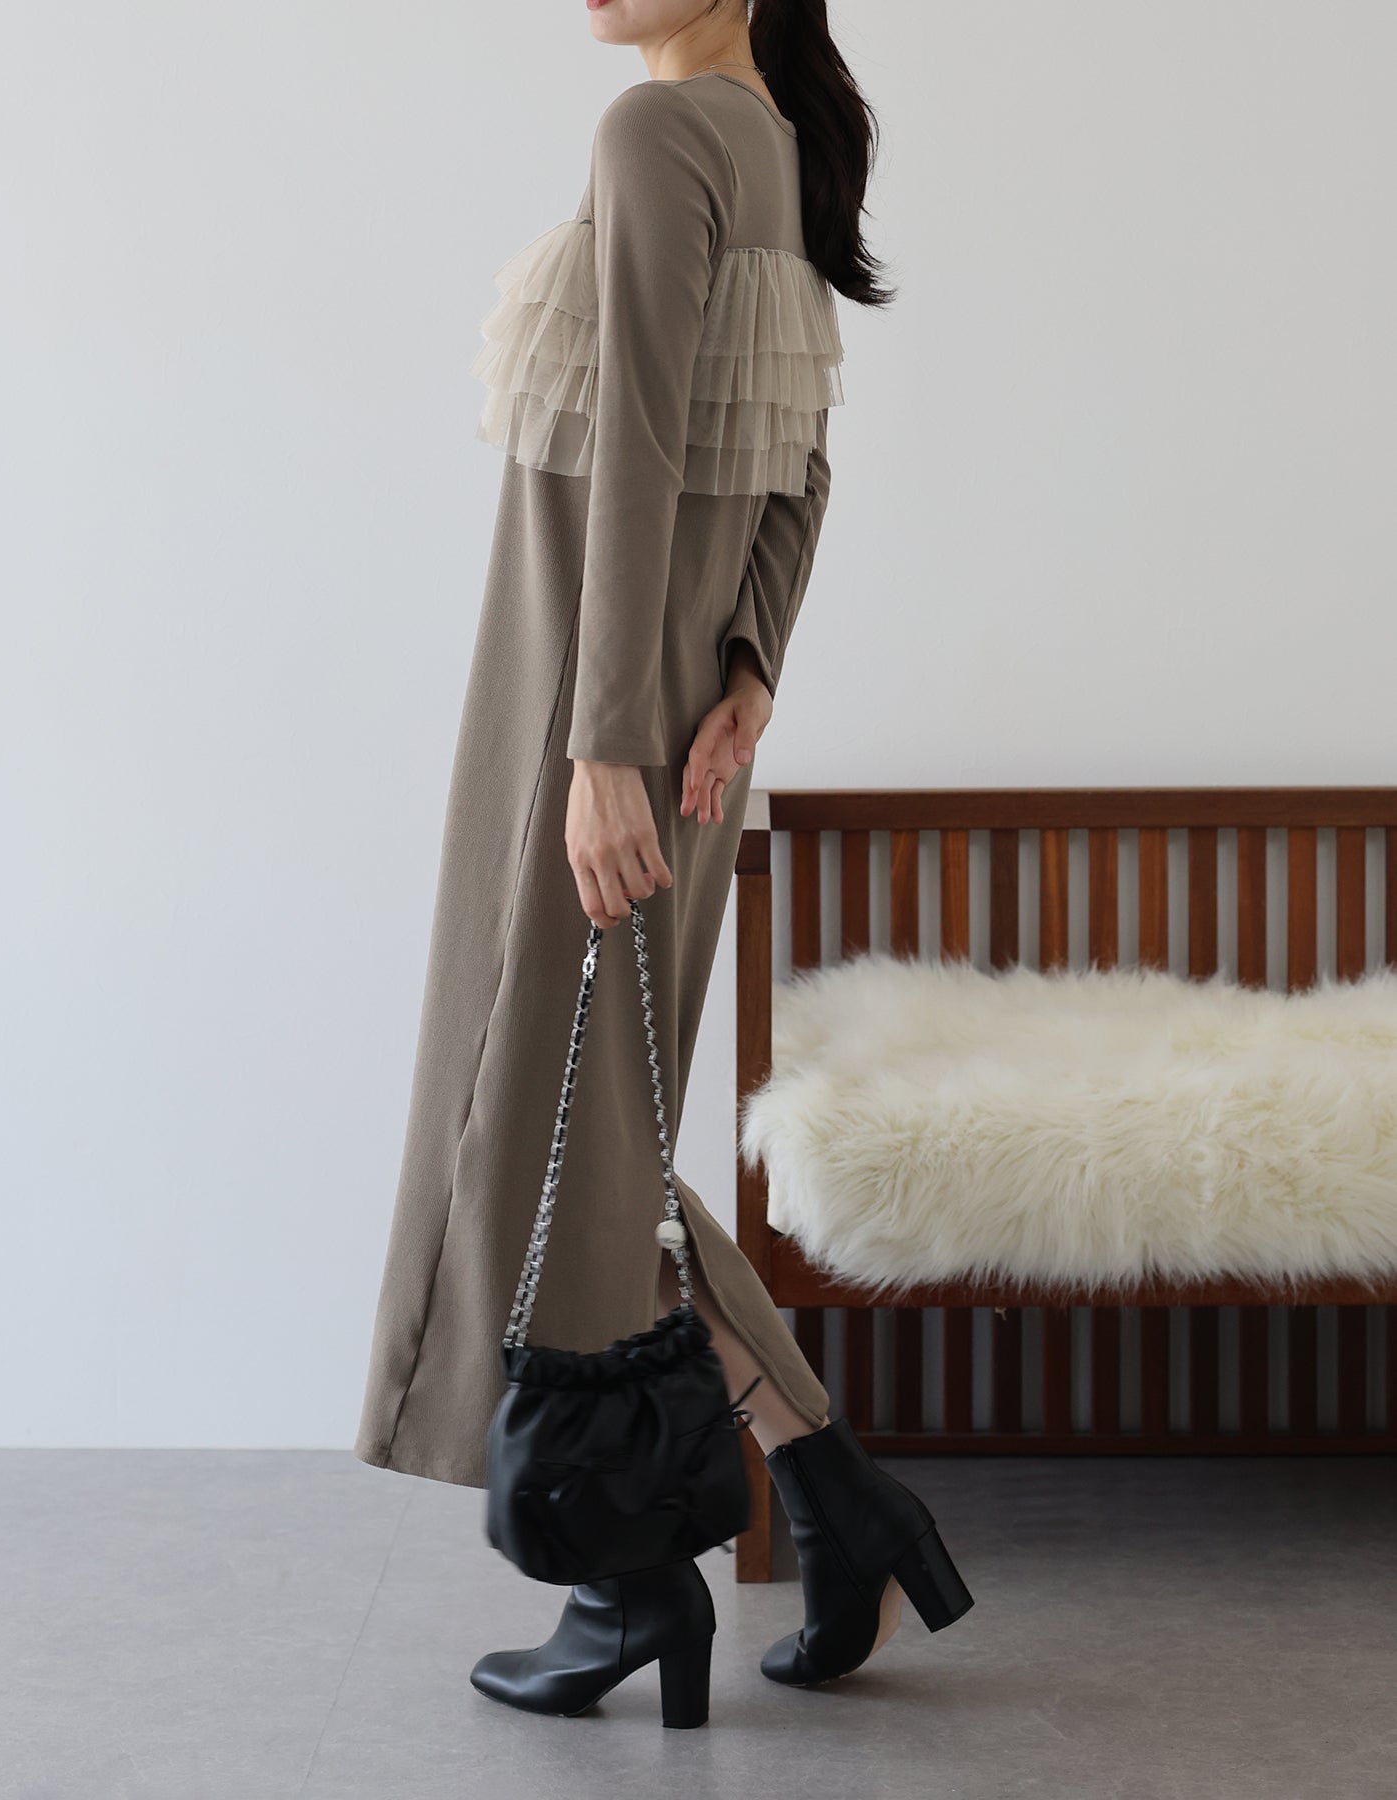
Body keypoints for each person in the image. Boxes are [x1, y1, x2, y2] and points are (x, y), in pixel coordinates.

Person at [354, 0, 972, 1725]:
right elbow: (800, 454)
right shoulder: (769, 143)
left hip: (589, 708)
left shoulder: (657, 138)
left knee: (519, 1134)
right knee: (601, 1142)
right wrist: (749, 666)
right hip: (679, 712)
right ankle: (838, 1503)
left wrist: (601, 743)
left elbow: (637, 446)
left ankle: (628, 1577)